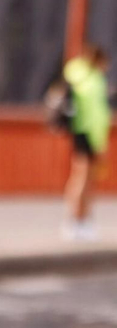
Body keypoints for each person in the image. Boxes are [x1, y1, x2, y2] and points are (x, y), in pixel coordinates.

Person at [56, 46, 109, 241]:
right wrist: (100, 143)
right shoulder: (93, 81)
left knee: (82, 178)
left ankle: (80, 219)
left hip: (81, 133)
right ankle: (77, 220)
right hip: (89, 134)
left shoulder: (77, 77)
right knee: (84, 179)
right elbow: (97, 116)